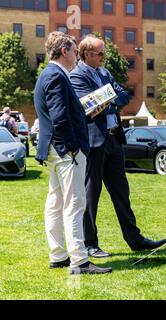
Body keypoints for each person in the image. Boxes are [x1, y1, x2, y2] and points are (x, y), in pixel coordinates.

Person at [70, 35, 166, 258]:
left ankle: (135, 239)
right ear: (87, 54)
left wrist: (107, 100)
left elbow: (124, 96)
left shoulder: (105, 73)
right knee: (90, 195)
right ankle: (90, 244)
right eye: (100, 53)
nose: (105, 57)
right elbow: (89, 107)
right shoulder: (77, 76)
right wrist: (109, 100)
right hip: (94, 144)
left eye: (105, 52)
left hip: (114, 140)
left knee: (122, 192)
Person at [34, 31, 111, 275]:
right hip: (66, 151)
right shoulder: (57, 75)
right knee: (75, 204)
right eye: (75, 51)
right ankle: (79, 260)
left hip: (56, 151)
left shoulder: (48, 74)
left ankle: (58, 256)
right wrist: (73, 147)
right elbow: (59, 117)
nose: (77, 55)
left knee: (55, 203)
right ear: (64, 51)